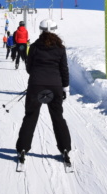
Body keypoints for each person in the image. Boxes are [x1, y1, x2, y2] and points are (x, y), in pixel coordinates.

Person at [15, 19, 71, 166]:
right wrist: (65, 87)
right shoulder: (60, 48)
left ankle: (22, 149)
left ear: (41, 30)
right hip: (55, 86)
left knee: (30, 116)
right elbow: (64, 69)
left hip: (36, 86)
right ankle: (64, 149)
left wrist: (36, 76)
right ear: (54, 29)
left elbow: (29, 67)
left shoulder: (34, 47)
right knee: (57, 117)